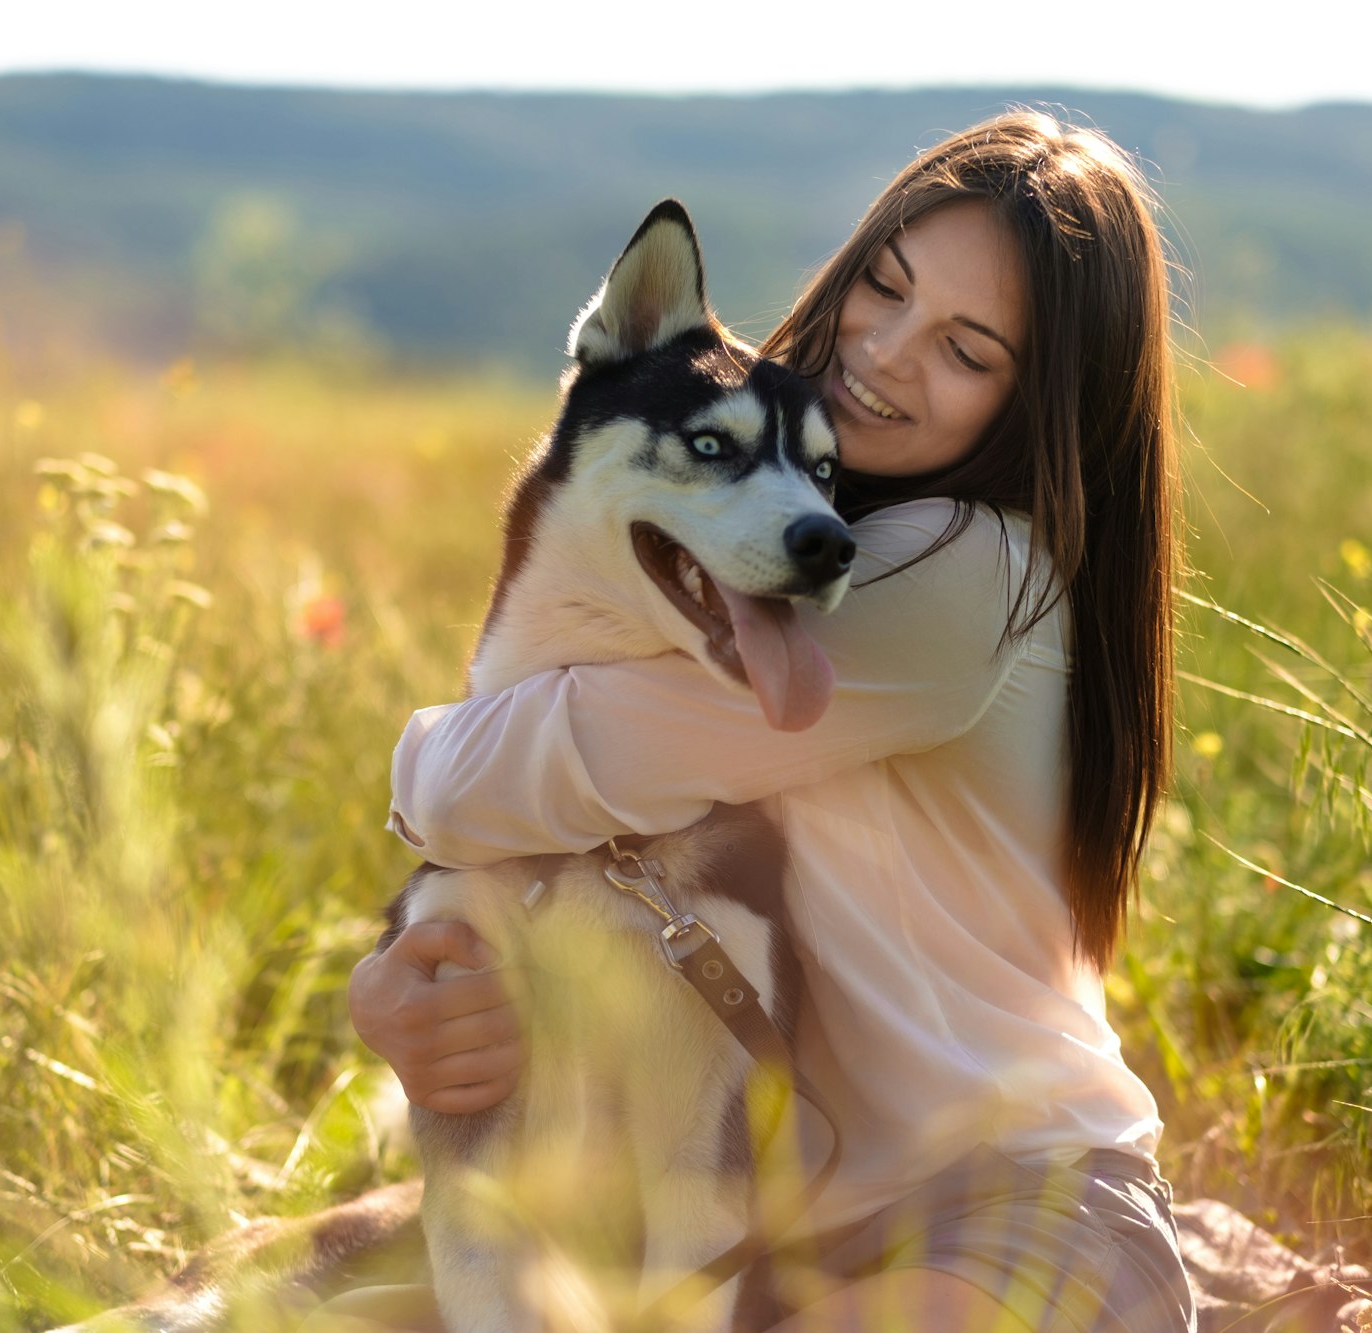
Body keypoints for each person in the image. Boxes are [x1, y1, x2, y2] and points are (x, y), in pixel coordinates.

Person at [348, 108, 1194, 1332]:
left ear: (1041, 398)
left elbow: (535, 767)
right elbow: (562, 856)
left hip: (1019, 1208)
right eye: (884, 287)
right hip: (781, 1209)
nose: (889, 354)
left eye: (965, 349)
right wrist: (401, 989)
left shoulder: (958, 575)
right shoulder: (760, 548)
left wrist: (420, 767)